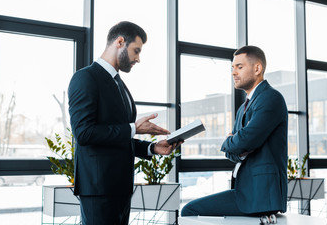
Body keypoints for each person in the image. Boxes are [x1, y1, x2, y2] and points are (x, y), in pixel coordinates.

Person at [68, 21, 182, 225]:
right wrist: (134, 128)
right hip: (98, 190)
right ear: (120, 42)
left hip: (121, 189)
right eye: (136, 50)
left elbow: (119, 137)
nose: (138, 58)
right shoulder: (85, 78)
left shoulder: (120, 84)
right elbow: (84, 133)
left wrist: (153, 148)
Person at [181, 45, 288, 217]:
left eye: (239, 67)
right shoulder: (242, 109)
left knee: (190, 210)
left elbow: (246, 140)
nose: (233, 73)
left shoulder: (271, 98)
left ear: (257, 68)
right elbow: (233, 152)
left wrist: (231, 142)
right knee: (190, 210)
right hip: (246, 192)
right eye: (232, 68)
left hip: (262, 195)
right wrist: (239, 146)